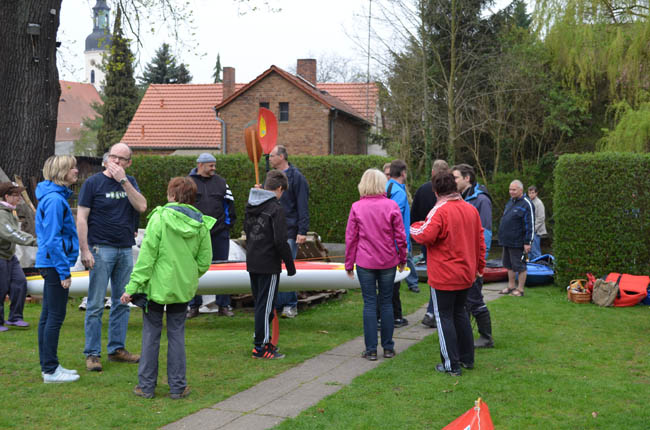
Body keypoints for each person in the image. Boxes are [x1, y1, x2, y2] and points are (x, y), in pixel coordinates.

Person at [121, 177, 214, 399]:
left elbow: (146, 258)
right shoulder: (201, 224)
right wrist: (187, 275)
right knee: (176, 335)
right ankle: (178, 387)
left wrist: (132, 287)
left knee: (151, 336)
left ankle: (146, 386)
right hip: (181, 289)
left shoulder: (159, 218)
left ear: (171, 195)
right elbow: (204, 261)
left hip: (155, 289)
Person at [77, 142, 147, 372]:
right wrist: (85, 250)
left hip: (125, 249)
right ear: (106, 159)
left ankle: (116, 349)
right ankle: (92, 353)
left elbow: (142, 206)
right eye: (113, 157)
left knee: (122, 302)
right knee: (96, 303)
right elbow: (82, 218)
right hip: (100, 249)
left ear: (129, 163)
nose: (117, 162)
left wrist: (124, 181)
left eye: (122, 159)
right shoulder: (93, 183)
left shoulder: (130, 182)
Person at [410, 171, 485, 376]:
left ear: (435, 191)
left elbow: (424, 234)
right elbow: (480, 241)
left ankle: (451, 364)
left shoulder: (439, 210)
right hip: (466, 273)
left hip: (444, 274)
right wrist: (479, 267)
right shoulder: (470, 209)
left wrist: (413, 226)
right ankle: (467, 358)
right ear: (455, 187)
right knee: (460, 313)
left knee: (444, 318)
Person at [345, 169, 407, 361]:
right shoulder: (391, 206)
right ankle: (388, 348)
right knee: (386, 303)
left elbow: (351, 238)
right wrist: (402, 259)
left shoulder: (357, 207)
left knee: (370, 304)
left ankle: (371, 349)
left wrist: (349, 264)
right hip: (388, 260)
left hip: (365, 262)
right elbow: (401, 237)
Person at [35, 155, 81, 383]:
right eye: (72, 167)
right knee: (54, 316)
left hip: (50, 262)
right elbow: (53, 239)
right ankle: (51, 370)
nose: (76, 171)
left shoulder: (53, 197)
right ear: (62, 172)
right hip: (54, 264)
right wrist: (64, 272)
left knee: (47, 316)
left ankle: (49, 366)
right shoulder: (55, 200)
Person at [244, 170, 296, 359]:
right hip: (268, 263)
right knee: (266, 306)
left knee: (261, 304)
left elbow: (246, 231)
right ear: (280, 189)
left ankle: (262, 341)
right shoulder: (276, 208)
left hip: (253, 260)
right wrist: (290, 266)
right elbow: (280, 240)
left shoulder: (251, 204)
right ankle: (261, 347)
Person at [186, 153, 237, 319]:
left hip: (219, 233)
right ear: (200, 165)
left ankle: (223, 304)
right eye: (211, 165)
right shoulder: (188, 183)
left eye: (215, 165)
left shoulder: (221, 182)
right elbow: (182, 206)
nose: (214, 169)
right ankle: (194, 306)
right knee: (192, 268)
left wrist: (227, 226)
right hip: (195, 233)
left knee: (223, 268)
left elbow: (230, 204)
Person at [452, 164, 494, 348]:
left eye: (456, 178)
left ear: (467, 178)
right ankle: (464, 334)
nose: (453, 182)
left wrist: (479, 265)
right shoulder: (461, 199)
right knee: (464, 301)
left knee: (475, 298)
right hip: (461, 259)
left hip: (473, 261)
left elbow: (485, 233)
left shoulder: (481, 200)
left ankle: (486, 337)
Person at [269, 145, 309, 319]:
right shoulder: (270, 178)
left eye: (272, 156)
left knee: (289, 267)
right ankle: (276, 304)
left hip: (290, 230)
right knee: (274, 267)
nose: (269, 158)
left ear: (282, 157)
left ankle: (290, 305)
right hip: (272, 230)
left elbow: (302, 205)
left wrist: (302, 231)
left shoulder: (297, 178)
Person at [412, 160, 449, 329]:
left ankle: (433, 311)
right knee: (442, 278)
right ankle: (433, 312)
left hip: (426, 240)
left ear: (433, 173)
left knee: (434, 276)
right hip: (445, 241)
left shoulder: (422, 190)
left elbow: (414, 217)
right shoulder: (450, 193)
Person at [0, 182, 37, 331]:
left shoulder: (10, 212)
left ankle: (15, 317)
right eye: (16, 195)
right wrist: (34, 241)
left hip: (10, 256)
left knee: (20, 283)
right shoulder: (2, 214)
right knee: (1, 289)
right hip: (1, 256)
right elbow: (11, 233)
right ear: (6, 196)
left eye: (19, 195)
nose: (19, 198)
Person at [386, 160, 418, 327]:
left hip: (386, 244)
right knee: (393, 283)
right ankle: (394, 317)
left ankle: (393, 315)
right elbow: (395, 220)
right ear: (403, 173)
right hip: (395, 245)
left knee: (389, 283)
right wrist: (402, 249)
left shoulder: (386, 188)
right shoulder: (399, 192)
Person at [498, 180, 534, 297]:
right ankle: (511, 286)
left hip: (518, 242)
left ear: (521, 190)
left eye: (514, 190)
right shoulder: (510, 202)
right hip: (507, 241)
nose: (511, 192)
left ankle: (520, 289)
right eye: (510, 189)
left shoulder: (526, 203)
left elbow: (530, 225)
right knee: (508, 265)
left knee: (520, 266)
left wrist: (528, 242)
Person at [527, 185, 547, 261]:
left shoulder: (539, 203)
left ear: (536, 193)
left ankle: (539, 266)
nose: (531, 195)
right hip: (529, 230)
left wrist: (533, 229)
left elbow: (541, 218)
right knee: (528, 250)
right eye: (529, 193)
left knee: (535, 251)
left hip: (536, 231)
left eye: (532, 193)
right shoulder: (528, 202)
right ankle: (529, 266)